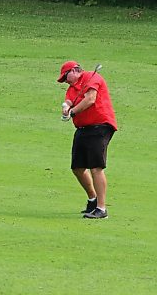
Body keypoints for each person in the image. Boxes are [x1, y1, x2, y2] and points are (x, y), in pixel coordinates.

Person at [57, 61, 117, 219]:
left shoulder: (92, 77)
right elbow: (69, 100)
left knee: (96, 167)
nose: (65, 81)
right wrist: (66, 107)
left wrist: (73, 112)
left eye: (65, 76)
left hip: (100, 126)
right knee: (77, 167)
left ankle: (101, 209)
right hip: (83, 129)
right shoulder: (73, 87)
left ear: (75, 70)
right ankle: (93, 199)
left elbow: (90, 99)